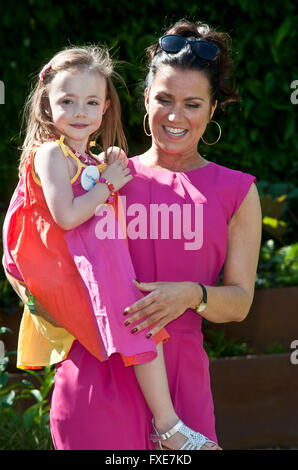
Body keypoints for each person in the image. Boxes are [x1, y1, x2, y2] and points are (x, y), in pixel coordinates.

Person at [3, 18, 262, 450]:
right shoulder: (99, 175)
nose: (175, 115)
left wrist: (190, 294)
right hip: (95, 373)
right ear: (145, 99)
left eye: (193, 103)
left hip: (180, 382)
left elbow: (239, 302)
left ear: (213, 109)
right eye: (164, 99)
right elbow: (26, 242)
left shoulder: (237, 191)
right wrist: (39, 299)